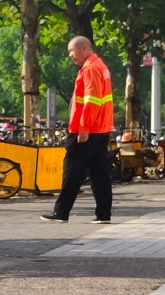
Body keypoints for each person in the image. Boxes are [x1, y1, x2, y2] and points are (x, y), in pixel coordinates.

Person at [42, 36, 114, 224]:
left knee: (72, 169)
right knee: (99, 173)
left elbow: (91, 101)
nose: (70, 56)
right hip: (100, 128)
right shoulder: (100, 66)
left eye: (71, 52)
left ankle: (61, 211)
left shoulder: (90, 69)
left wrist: (84, 128)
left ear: (83, 48)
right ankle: (103, 214)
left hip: (87, 129)